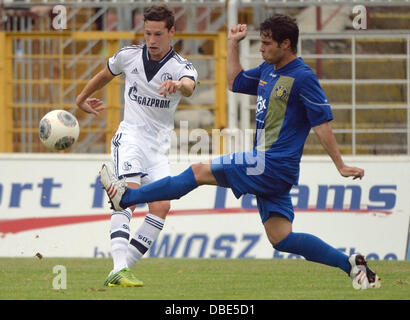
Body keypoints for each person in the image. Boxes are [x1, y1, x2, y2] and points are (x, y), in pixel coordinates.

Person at [99, 14, 381, 290]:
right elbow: (234, 83)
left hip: (270, 163)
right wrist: (233, 43)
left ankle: (128, 197)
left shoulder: (303, 78)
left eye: (267, 43)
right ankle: (351, 265)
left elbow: (322, 124)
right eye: (260, 41)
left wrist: (341, 165)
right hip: (272, 169)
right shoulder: (269, 70)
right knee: (282, 238)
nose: (261, 48)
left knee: (198, 171)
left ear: (286, 44)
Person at [76, 5, 198, 287]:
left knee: (162, 206)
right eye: (147, 33)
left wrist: (177, 85)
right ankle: (119, 268)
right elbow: (105, 74)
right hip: (130, 138)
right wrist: (81, 99)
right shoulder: (128, 56)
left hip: (158, 149)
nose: (152, 40)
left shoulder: (181, 66)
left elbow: (190, 85)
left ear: (171, 33)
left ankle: (119, 270)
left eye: (158, 34)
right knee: (127, 197)